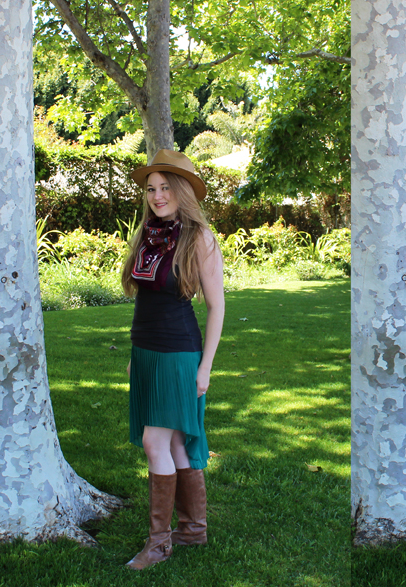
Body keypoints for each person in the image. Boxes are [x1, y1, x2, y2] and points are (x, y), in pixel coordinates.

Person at [121, 149, 225, 570]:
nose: (157, 196)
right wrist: (134, 356)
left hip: (179, 351)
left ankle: (159, 542)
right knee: (176, 440)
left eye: (165, 188)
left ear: (182, 191)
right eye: (151, 189)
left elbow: (217, 307)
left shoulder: (200, 238)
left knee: (154, 441)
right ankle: (192, 529)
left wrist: (206, 366)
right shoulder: (149, 235)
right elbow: (144, 300)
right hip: (147, 350)